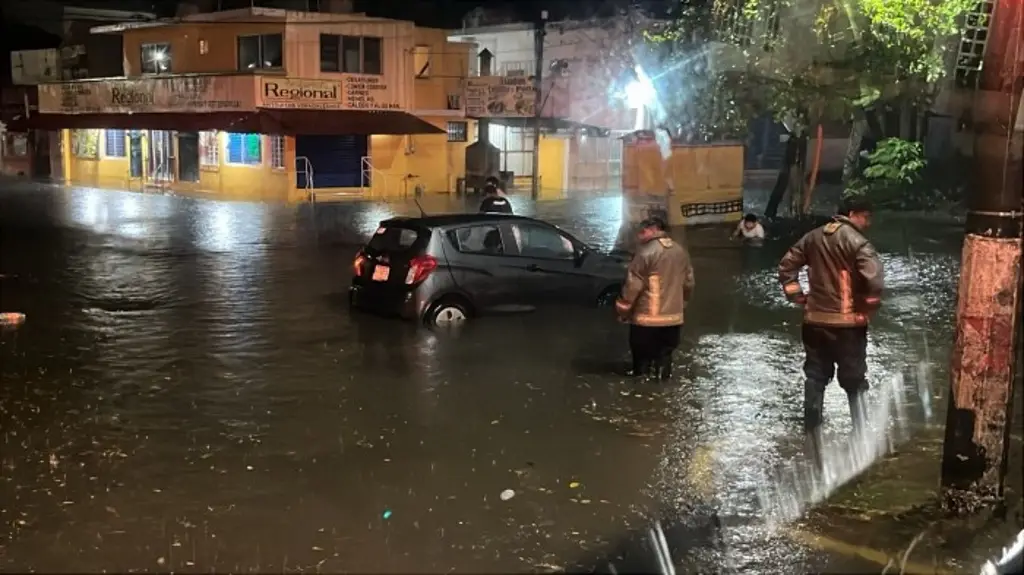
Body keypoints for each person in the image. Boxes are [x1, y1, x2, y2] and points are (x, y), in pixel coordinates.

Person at [778, 196, 883, 443]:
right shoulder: (858, 243)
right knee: (854, 379)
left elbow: (786, 266)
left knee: (815, 376)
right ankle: (861, 435)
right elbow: (875, 280)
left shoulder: (812, 237)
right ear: (852, 214)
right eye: (866, 217)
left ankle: (811, 434)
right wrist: (867, 307)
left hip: (814, 320)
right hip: (847, 324)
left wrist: (797, 296)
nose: (867, 223)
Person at [615, 217, 696, 380]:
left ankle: (640, 390)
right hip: (673, 319)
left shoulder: (645, 253)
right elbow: (689, 283)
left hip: (646, 319)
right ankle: (662, 387)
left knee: (642, 360)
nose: (639, 236)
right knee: (665, 356)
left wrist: (623, 310)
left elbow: (633, 286)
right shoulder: (680, 251)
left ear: (652, 230)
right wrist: (681, 305)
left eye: (642, 231)